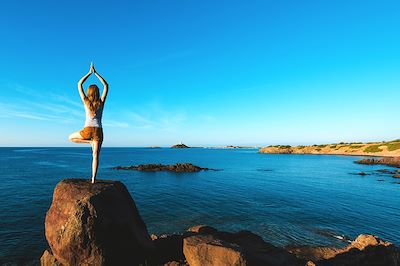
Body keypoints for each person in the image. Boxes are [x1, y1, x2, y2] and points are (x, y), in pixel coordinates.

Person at [68, 63, 108, 183]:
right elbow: (106, 85)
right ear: (97, 92)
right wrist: (96, 73)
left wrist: (89, 73)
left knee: (71, 138)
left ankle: (88, 141)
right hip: (98, 132)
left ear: (89, 92)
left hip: (87, 131)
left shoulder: (86, 101)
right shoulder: (101, 102)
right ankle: (93, 179)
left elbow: (79, 84)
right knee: (95, 155)